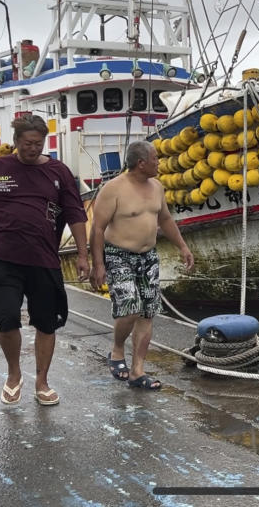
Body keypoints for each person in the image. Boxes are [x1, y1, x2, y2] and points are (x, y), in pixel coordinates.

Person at [0, 115, 89, 406]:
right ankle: (13, 374)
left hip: (44, 260)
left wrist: (84, 255)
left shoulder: (59, 172)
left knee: (46, 323)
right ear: (16, 141)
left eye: (38, 144)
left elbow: (75, 215)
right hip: (3, 258)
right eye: (26, 144)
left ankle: (42, 381)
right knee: (6, 318)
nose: (32, 149)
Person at [89, 141, 193, 391]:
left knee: (147, 312)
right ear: (141, 163)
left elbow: (165, 219)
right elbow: (98, 228)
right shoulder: (113, 189)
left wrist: (183, 246)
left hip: (148, 257)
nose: (159, 162)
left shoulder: (156, 187)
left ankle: (137, 371)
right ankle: (116, 351)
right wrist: (98, 263)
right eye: (155, 159)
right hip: (118, 255)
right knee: (130, 309)